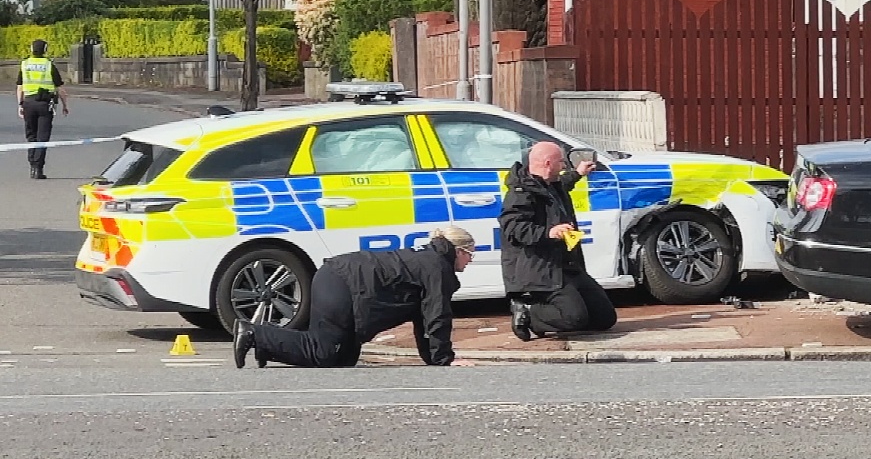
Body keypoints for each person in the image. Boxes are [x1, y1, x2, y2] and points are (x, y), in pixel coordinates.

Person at [233, 226, 478, 368]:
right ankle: (255, 333)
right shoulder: (437, 268)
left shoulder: (428, 260)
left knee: (343, 358)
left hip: (337, 277)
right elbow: (437, 317)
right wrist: (444, 360)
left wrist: (434, 359)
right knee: (325, 351)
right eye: (470, 254)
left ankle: (267, 346)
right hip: (342, 285)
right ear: (458, 250)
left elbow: (424, 319)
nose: (470, 261)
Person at [500, 141, 618, 341]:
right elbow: (513, 227)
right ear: (548, 163)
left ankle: (564, 310)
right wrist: (549, 233)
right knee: (573, 319)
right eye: (561, 162)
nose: (564, 166)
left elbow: (563, 184)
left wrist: (578, 173)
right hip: (541, 270)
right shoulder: (520, 193)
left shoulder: (550, 184)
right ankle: (528, 312)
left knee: (605, 318)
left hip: (567, 265)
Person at [16, 39, 68, 179]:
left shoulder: (25, 64)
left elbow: (20, 87)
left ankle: (32, 165)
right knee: (42, 137)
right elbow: (60, 88)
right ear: (45, 50)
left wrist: (20, 104)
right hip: (45, 105)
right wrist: (65, 105)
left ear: (31, 49)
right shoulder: (49, 65)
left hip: (28, 103)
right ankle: (38, 168)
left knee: (31, 136)